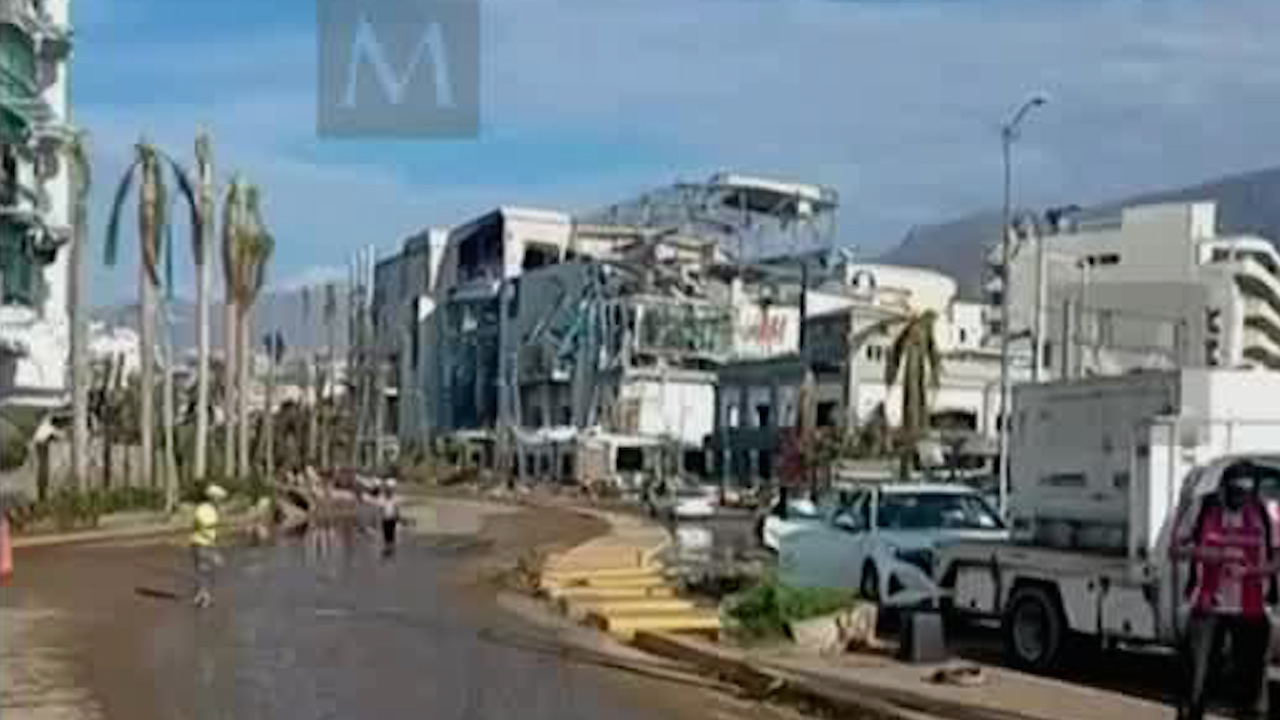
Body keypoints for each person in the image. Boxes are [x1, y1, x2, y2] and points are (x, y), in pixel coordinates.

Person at [1173, 461, 1278, 720]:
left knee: (1251, 685)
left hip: (1251, 608)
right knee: (1197, 681)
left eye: (1246, 493)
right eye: (1235, 493)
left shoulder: (1265, 513)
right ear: (1223, 487)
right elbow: (1176, 549)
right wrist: (1212, 554)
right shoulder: (1203, 506)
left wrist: (1251, 571)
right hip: (1207, 606)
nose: (1240, 500)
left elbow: (1277, 560)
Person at [191, 484, 227, 608]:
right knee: (205, 569)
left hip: (205, 544)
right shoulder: (203, 509)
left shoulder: (212, 509)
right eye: (219, 498)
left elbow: (213, 529)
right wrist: (214, 550)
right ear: (212, 498)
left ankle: (201, 594)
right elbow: (204, 528)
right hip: (201, 543)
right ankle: (204, 596)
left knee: (205, 570)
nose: (220, 501)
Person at [379, 479, 402, 556]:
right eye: (387, 489)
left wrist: (398, 517)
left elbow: (397, 508)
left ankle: (390, 548)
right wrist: (380, 517)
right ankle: (387, 548)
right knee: (386, 534)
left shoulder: (395, 498)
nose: (388, 491)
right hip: (385, 518)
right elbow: (381, 509)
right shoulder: (382, 497)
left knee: (391, 533)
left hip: (392, 518)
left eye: (390, 489)